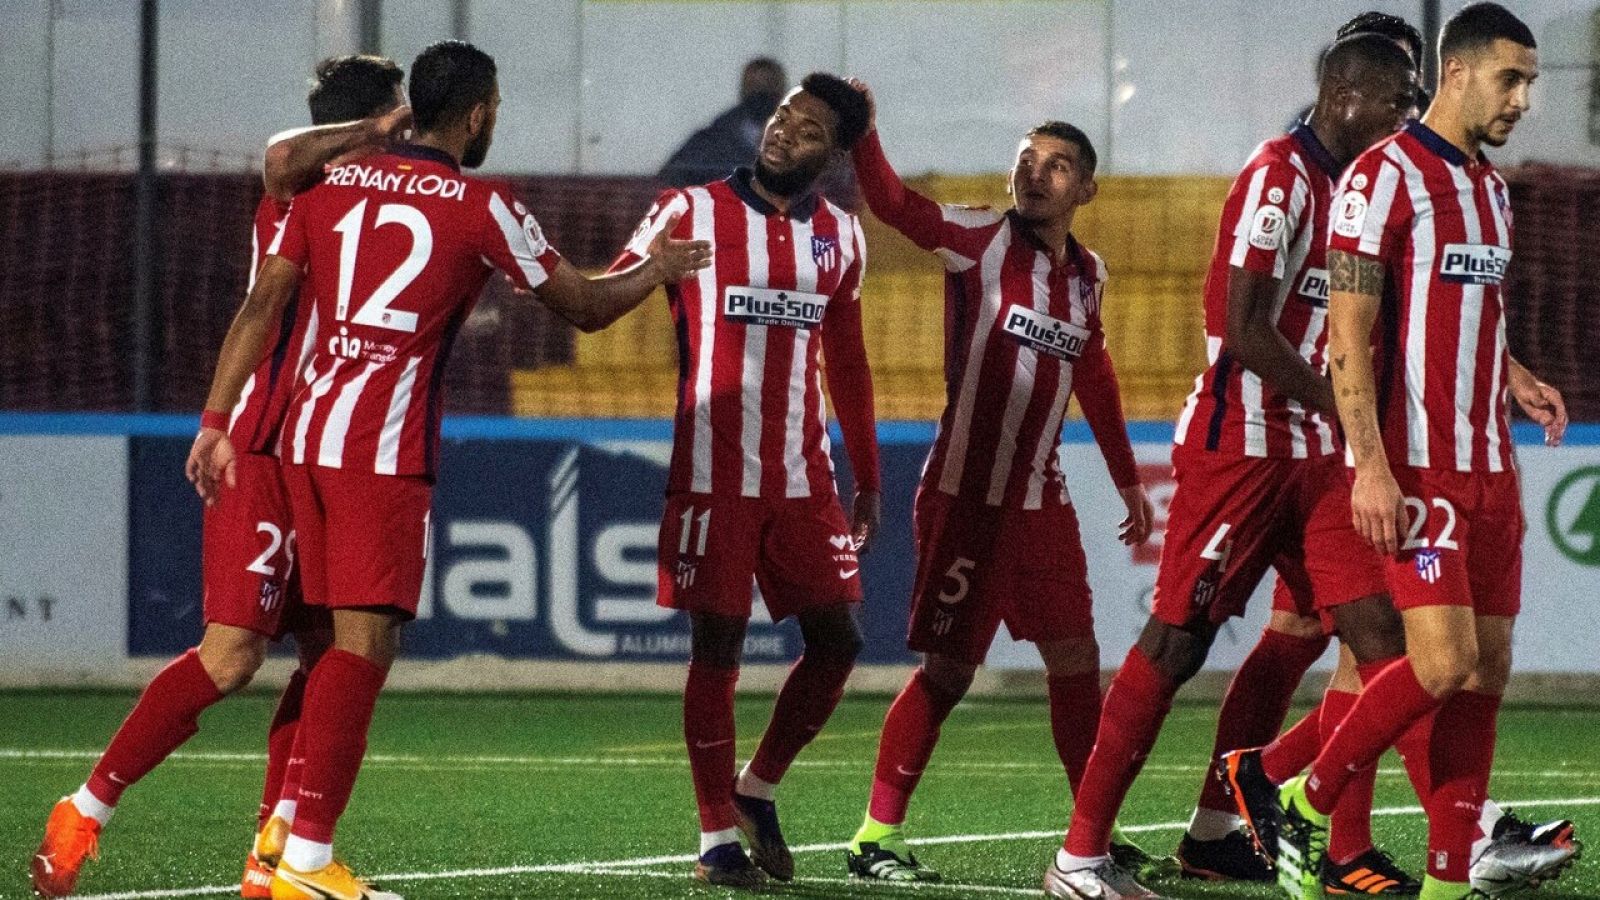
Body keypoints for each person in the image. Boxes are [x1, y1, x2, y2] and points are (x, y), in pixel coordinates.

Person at [180, 39, 711, 899]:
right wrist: (658, 269)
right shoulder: (483, 203)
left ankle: (271, 852)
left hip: (296, 443)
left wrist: (213, 421)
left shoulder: (330, 184)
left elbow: (259, 301)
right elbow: (582, 308)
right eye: (493, 107)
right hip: (380, 454)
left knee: (322, 647)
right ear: (477, 114)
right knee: (361, 648)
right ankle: (304, 865)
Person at [1042, 33, 1420, 900]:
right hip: (1239, 448)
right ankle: (1079, 857)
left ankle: (1272, 826)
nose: (1403, 116)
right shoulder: (1278, 175)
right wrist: (1343, 408)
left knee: (1385, 645)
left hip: (1321, 458)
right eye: (1394, 99)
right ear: (1341, 91)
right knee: (1177, 643)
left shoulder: (1363, 188)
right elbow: (1245, 328)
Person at [29, 54, 412, 900]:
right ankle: (85, 808)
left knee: (329, 654)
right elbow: (281, 161)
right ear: (372, 122)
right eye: (397, 118)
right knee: (233, 655)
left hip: (330, 454)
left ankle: (276, 858)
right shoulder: (299, 192)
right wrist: (215, 420)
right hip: (266, 450)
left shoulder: (382, 204)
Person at [1244, 7, 1574, 900]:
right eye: (1511, 79)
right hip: (1420, 469)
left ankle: (1441, 882)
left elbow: (1471, 307)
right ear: (1457, 72)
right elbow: (1349, 333)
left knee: (1486, 674)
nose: (1524, 100)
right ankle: (1306, 803)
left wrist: (1514, 375)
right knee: (1437, 665)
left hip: (1493, 466)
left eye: (1530, 82)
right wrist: (1374, 467)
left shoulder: (1492, 190)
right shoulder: (1379, 178)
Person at [838, 79, 1156, 885]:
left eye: (1055, 166)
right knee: (947, 674)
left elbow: (1097, 375)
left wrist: (1127, 482)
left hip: (1042, 501)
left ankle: (1093, 834)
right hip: (964, 495)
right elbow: (893, 204)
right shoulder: (978, 236)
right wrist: (864, 132)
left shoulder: (1089, 276)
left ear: (1085, 188)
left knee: (1078, 660)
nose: (1034, 174)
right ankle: (875, 836)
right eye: (1026, 160)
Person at [610, 72, 880, 888]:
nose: (782, 132)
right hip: (711, 471)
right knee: (717, 648)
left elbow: (850, 359)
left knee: (838, 644)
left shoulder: (841, 235)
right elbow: (605, 294)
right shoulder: (688, 210)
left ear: (833, 154)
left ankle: (756, 791)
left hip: (804, 474)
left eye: (806, 130)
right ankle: (714, 840)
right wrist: (645, 270)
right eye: (782, 116)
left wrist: (866, 476)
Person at [659, 57, 788, 188]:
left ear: (782, 90)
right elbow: (671, 179)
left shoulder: (802, 140)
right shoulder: (710, 142)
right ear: (743, 89)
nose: (760, 95)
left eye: (768, 86)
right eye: (754, 87)